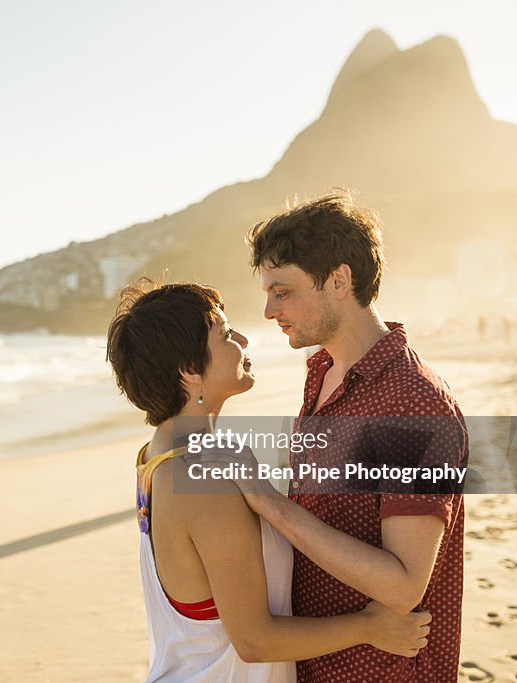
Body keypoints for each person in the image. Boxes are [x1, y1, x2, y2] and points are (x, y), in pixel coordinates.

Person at [197, 190, 467, 682]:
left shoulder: (412, 404)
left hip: (383, 673)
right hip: (318, 663)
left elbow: (404, 585)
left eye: (283, 291)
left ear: (339, 280)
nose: (268, 311)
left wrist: (269, 503)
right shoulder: (323, 372)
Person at [106, 280, 431, 682]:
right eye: (225, 334)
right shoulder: (202, 478)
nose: (242, 338)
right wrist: (370, 627)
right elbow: (255, 640)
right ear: (189, 371)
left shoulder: (156, 455)